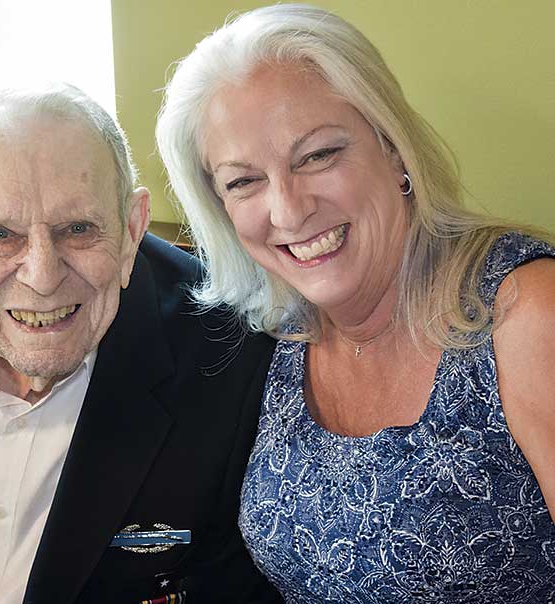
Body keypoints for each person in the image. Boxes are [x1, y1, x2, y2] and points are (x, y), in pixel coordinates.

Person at [156, 4, 555, 602]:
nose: (288, 210)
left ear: (393, 148)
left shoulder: (523, 310)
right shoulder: (274, 334)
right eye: (244, 182)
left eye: (316, 156)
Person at [0, 84, 282, 604]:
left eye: (78, 229)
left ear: (132, 228)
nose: (41, 275)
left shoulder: (228, 361)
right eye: (0, 234)